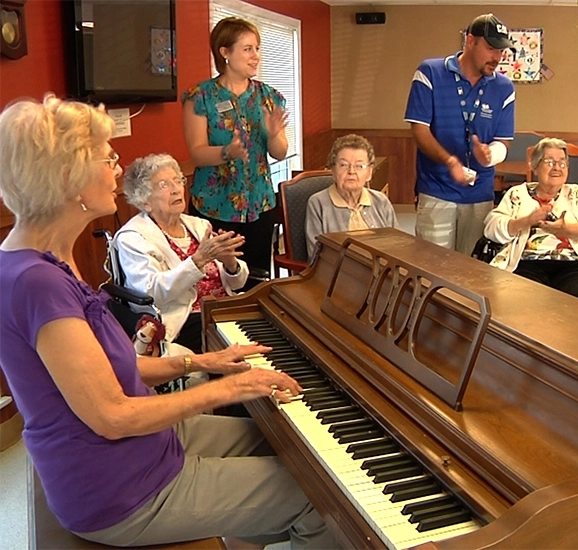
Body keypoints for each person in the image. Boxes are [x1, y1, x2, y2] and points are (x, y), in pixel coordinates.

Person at [0, 95, 335, 548]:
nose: (118, 170)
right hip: (115, 486)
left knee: (288, 443)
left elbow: (111, 369)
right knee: (321, 496)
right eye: (108, 159)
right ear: (68, 177)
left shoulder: (48, 258)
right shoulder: (36, 282)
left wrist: (202, 362)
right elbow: (112, 415)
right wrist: (228, 389)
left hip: (142, 449)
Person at [182, 16, 287, 281]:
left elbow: (280, 152)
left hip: (259, 206)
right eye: (248, 49)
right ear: (225, 52)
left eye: (257, 48)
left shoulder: (269, 97)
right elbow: (196, 152)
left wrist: (274, 134)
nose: (256, 56)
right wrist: (226, 152)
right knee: (217, 280)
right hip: (215, 206)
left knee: (255, 281)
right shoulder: (200, 96)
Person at [404, 13, 516, 255]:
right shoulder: (430, 72)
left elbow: (503, 140)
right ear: (470, 41)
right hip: (436, 189)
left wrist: (491, 154)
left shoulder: (504, 88)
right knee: (433, 266)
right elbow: (419, 130)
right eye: (491, 48)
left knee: (472, 269)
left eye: (501, 51)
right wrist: (450, 161)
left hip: (480, 193)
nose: (497, 57)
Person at [115, 154, 249, 354]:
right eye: (164, 185)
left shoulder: (199, 225)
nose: (176, 189)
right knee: (240, 348)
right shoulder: (132, 237)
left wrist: (230, 263)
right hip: (184, 321)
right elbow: (151, 293)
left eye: (178, 180)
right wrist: (198, 260)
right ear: (145, 201)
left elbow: (238, 283)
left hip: (225, 309)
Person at [483, 138, 578, 305]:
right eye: (549, 162)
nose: (557, 168)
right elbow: (491, 228)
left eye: (562, 163)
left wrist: (567, 230)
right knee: (526, 298)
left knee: (576, 298)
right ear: (535, 166)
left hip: (573, 264)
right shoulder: (517, 194)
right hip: (526, 263)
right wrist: (526, 221)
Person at [305, 134, 397, 258]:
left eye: (359, 166)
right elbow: (316, 257)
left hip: (381, 269)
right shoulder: (318, 203)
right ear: (332, 170)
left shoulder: (381, 201)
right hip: (338, 270)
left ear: (369, 173)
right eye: (344, 165)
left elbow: (397, 247)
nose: (351, 171)